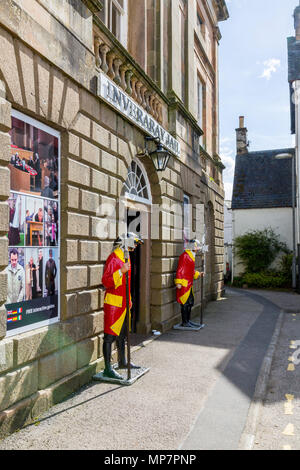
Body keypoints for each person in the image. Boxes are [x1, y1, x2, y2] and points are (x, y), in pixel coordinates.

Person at [101, 233, 143, 379]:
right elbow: (106, 281)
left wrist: (129, 298)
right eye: (135, 243)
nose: (136, 246)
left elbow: (127, 282)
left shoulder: (125, 257)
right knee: (109, 336)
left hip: (124, 303)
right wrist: (120, 271)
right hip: (113, 304)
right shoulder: (113, 258)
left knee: (122, 335)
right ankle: (107, 368)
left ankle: (122, 361)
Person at [175, 239, 205, 328]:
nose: (197, 249)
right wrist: (178, 282)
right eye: (196, 247)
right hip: (184, 284)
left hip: (188, 284)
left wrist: (199, 274)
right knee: (185, 303)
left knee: (190, 302)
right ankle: (185, 322)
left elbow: (190, 270)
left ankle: (188, 321)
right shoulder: (185, 256)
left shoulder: (191, 255)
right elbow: (180, 269)